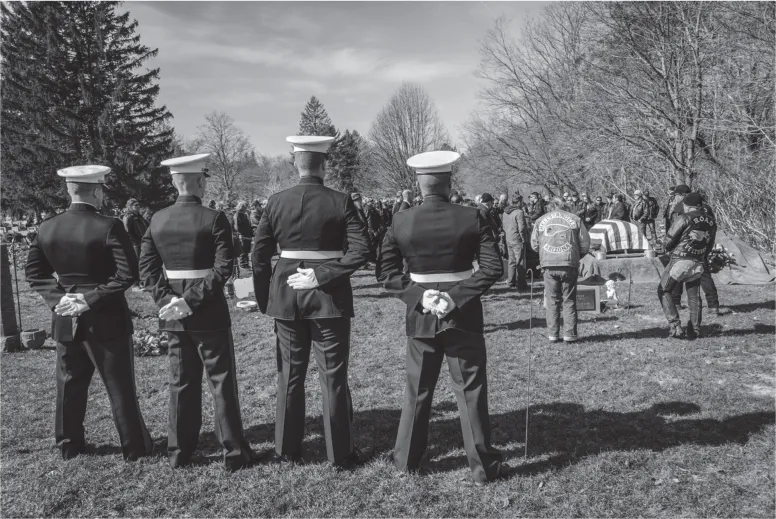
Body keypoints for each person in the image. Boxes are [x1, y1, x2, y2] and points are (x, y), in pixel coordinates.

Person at [378, 150, 508, 486]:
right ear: (450, 182)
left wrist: (419, 296)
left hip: (421, 312)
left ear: (419, 185)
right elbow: (494, 268)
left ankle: (406, 460)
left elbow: (387, 272)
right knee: (470, 390)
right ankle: (482, 467)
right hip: (461, 314)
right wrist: (456, 297)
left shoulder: (401, 220)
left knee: (417, 390)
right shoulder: (473, 216)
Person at [252, 136, 371, 468]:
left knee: (289, 375)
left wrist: (266, 299)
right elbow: (362, 250)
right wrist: (325, 274)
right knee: (332, 375)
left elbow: (259, 256)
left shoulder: (276, 201)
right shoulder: (340, 200)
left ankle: (287, 450)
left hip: (287, 293)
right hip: (328, 294)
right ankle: (340, 453)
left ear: (294, 162)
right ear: (325, 163)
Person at [25, 165, 152, 461]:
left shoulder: (47, 226)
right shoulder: (108, 225)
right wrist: (90, 299)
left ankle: (69, 444)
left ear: (70, 191)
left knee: (69, 382)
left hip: (66, 315)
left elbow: (34, 272)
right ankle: (134, 446)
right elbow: (127, 274)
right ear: (96, 191)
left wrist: (60, 299)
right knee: (118, 384)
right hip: (105, 316)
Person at [139, 153, 256, 471]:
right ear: (200, 182)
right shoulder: (214, 218)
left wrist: (167, 300)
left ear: (175, 183)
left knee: (181, 383)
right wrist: (190, 300)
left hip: (175, 314)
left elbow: (147, 269)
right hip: (208, 313)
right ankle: (233, 451)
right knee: (221, 381)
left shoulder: (157, 219)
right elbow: (223, 267)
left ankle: (178, 451)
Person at [657, 192, 717, 339]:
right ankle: (695, 330)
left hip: (680, 259)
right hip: (698, 261)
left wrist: (664, 247)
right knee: (694, 296)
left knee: (664, 290)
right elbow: (710, 243)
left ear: (687, 205)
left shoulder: (684, 217)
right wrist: (701, 255)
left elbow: (668, 240)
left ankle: (675, 326)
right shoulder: (711, 220)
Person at [531, 197, 590, 343]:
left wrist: (544, 254)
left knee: (552, 301)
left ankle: (553, 334)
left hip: (548, 264)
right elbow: (585, 243)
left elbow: (534, 244)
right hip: (569, 262)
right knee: (569, 300)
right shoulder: (575, 219)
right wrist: (577, 256)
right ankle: (569, 334)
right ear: (565, 206)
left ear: (550, 207)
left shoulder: (540, 221)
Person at [671, 194, 721, 316]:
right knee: (705, 276)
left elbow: (677, 228)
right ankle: (713, 306)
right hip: (702, 247)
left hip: (685, 247)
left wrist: (670, 246)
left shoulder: (685, 208)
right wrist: (707, 249)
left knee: (678, 275)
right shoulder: (707, 209)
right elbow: (712, 228)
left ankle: (676, 303)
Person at [502, 196, 529, 289]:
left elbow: (504, 226)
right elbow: (522, 228)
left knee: (511, 261)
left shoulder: (505, 212)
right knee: (520, 261)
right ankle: (521, 283)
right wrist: (524, 239)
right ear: (519, 202)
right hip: (517, 239)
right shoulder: (519, 212)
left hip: (509, 238)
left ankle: (511, 282)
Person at [122, 198, 148, 262]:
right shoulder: (128, 217)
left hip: (144, 243)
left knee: (144, 261)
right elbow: (127, 233)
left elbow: (147, 227)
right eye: (136, 205)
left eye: (139, 205)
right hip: (136, 245)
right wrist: (136, 243)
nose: (138, 206)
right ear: (130, 207)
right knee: (138, 262)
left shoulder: (140, 216)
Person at [232, 201, 253, 270]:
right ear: (242, 207)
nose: (246, 208)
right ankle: (243, 264)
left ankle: (246, 264)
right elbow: (237, 226)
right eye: (245, 207)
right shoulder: (238, 214)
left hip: (247, 235)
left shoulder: (244, 214)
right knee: (243, 250)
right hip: (242, 235)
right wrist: (241, 233)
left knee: (246, 250)